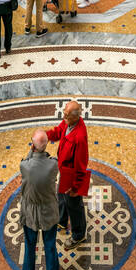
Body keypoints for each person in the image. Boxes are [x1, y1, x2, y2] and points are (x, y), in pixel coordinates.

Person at [19, 129, 62, 270]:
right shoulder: (53, 165)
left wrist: (32, 150)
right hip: (48, 212)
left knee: (30, 246)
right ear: (46, 145)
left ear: (32, 145)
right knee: (50, 246)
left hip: (30, 212)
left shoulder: (25, 166)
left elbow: (28, 160)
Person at [46, 100, 91, 244]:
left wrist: (76, 187)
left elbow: (81, 164)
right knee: (61, 195)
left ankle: (78, 235)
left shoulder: (79, 137)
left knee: (74, 205)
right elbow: (59, 131)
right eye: (64, 114)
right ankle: (61, 219)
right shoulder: (68, 122)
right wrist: (45, 136)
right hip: (64, 170)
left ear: (75, 117)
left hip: (72, 176)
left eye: (66, 116)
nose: (63, 118)